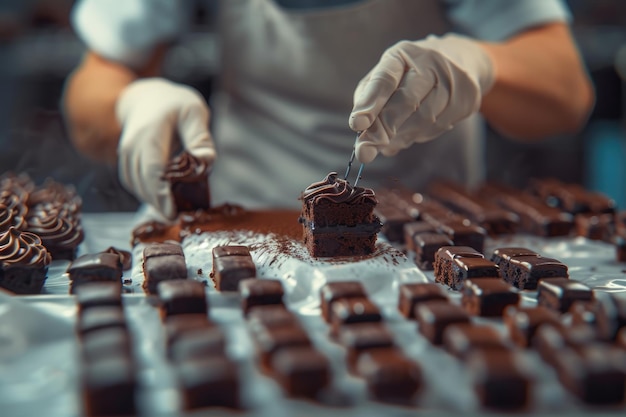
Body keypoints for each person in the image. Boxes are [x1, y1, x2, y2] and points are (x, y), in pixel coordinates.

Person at [62, 0, 594, 219]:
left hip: (430, 220)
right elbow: (96, 83)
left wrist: (482, 65)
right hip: (243, 215)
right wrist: (130, 101)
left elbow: (566, 92)